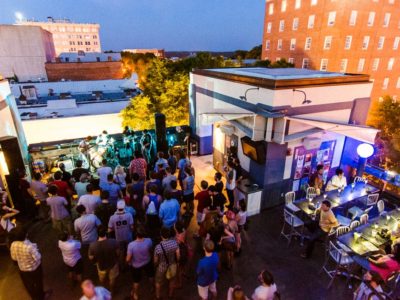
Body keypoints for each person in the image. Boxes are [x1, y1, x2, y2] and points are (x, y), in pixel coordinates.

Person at [10, 226, 52, 300]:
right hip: (34, 269)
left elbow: (14, 258)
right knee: (38, 284)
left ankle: (34, 297)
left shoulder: (13, 244)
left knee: (29, 286)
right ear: (26, 234)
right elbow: (38, 257)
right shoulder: (30, 246)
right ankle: (41, 297)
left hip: (23, 270)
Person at [126, 226, 154, 300]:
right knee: (150, 275)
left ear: (136, 234)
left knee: (136, 281)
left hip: (136, 265)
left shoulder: (131, 245)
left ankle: (135, 294)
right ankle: (152, 287)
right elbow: (150, 249)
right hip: (147, 262)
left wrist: (128, 262)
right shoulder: (149, 241)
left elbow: (128, 259)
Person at [89, 226, 119, 291]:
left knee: (102, 279)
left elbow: (91, 257)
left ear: (97, 234)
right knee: (112, 279)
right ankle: (112, 291)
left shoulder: (93, 245)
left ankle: (103, 290)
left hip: (101, 265)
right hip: (113, 264)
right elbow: (118, 252)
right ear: (106, 233)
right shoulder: (113, 241)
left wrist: (95, 262)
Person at [154, 227, 180, 299]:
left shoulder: (158, 247)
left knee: (158, 282)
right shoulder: (175, 243)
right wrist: (177, 262)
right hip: (172, 265)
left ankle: (158, 296)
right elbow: (178, 255)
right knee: (172, 280)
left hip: (161, 266)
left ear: (161, 235)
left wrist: (155, 265)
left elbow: (155, 260)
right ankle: (170, 295)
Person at [108, 200, 134, 269]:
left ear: (117, 207)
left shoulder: (112, 217)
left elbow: (110, 229)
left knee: (121, 252)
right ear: (124, 206)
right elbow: (131, 227)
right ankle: (130, 264)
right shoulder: (129, 215)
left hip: (119, 237)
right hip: (128, 236)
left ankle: (121, 266)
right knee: (129, 250)